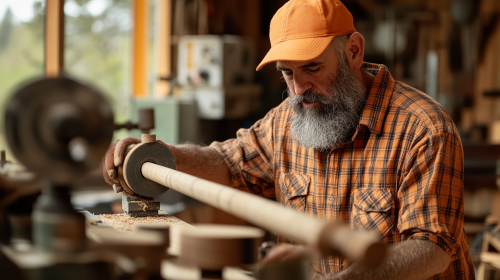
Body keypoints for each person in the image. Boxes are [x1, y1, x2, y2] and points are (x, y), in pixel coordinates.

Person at [102, 0, 474, 279]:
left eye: (312, 68)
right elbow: (230, 165)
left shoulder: (423, 129)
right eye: (287, 74)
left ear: (354, 51)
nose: (299, 89)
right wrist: (164, 155)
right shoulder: (288, 118)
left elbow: (431, 249)